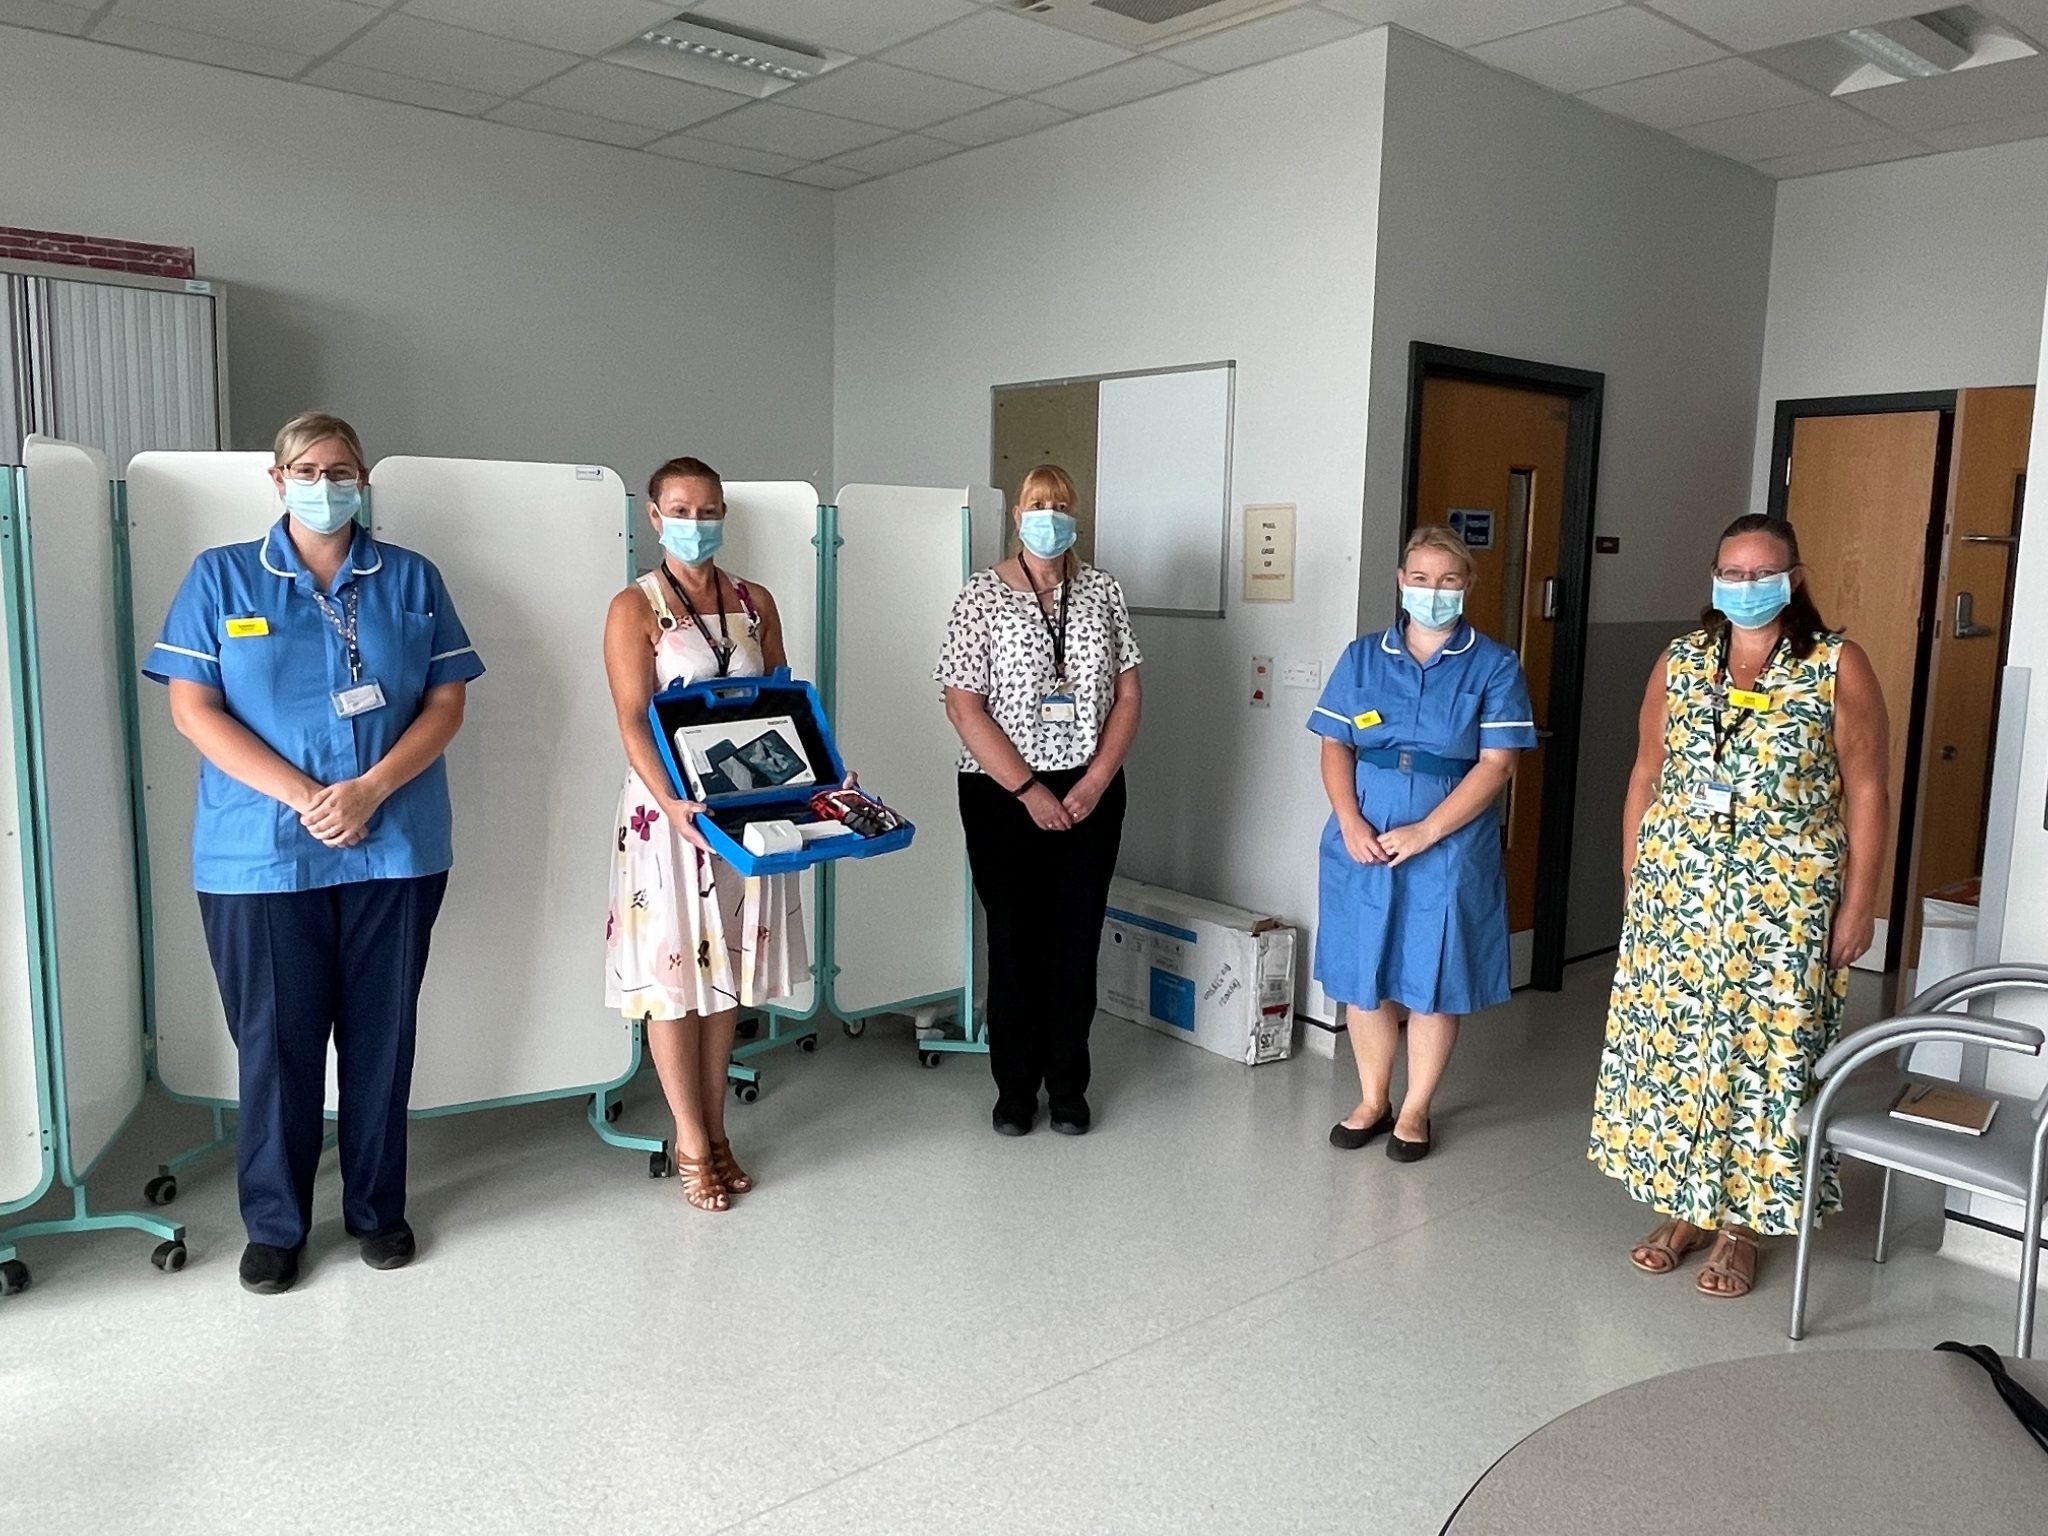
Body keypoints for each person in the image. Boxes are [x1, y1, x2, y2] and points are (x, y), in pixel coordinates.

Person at [144, 412, 483, 1295]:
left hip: (396, 845)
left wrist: (369, 791)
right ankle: (275, 1225)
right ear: (277, 478)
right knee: (276, 1044)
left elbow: (445, 705)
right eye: (308, 467)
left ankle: (378, 1209)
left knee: (382, 1038)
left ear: (364, 477)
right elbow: (194, 710)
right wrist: (308, 799)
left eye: (342, 468)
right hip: (260, 854)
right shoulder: (221, 577)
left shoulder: (411, 579)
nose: (326, 482)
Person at [1591, 514, 1888, 1300]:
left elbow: (1867, 788)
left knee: (1765, 1062)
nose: (1745, 586)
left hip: (1784, 908)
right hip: (1678, 898)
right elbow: (1646, 772)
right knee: (1681, 1056)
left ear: (1793, 577)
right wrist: (1635, 876)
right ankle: (1687, 1209)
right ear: (1714, 577)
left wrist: (1862, 903)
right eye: (1731, 571)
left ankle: (1743, 1227)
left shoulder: (1835, 665)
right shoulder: (1682, 662)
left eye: (1762, 572)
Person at [603, 456, 805, 1213]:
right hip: (670, 818)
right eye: (681, 510)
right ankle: (690, 1138)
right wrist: (675, 801)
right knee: (673, 980)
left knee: (730, 976)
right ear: (654, 517)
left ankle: (720, 1131)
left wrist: (814, 785)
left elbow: (785, 698)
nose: (697, 522)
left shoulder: (754, 602)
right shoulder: (635, 607)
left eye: (709, 509)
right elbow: (631, 718)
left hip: (748, 809)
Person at [1310, 526, 1537, 1163]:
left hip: (1448, 838)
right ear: (1400, 582)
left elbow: (1497, 765)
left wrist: (1427, 831)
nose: (1432, 591)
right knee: (1363, 972)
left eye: (1448, 580)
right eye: (1420, 578)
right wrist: (1351, 822)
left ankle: (1415, 1109)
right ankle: (1372, 1098)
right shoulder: (1362, 656)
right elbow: (1334, 744)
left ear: (1467, 585)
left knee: (1433, 974)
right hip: (1363, 830)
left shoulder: (1493, 663)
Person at [938, 464, 1142, 1137]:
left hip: (1090, 789)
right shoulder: (979, 597)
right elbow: (964, 707)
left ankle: (1069, 1083)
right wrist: (1027, 790)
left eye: (1059, 504)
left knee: (1075, 940)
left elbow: (1129, 695)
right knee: (1016, 940)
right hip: (1002, 793)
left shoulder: (1102, 591)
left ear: (1075, 513)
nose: (1047, 515)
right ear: (1016, 516)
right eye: (1035, 504)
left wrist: (1093, 781)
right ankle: (1015, 1088)